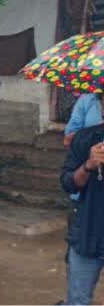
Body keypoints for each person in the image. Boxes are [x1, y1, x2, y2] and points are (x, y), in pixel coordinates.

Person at [60, 117, 104, 305]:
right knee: (78, 301)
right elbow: (68, 183)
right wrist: (88, 165)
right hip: (88, 233)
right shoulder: (86, 138)